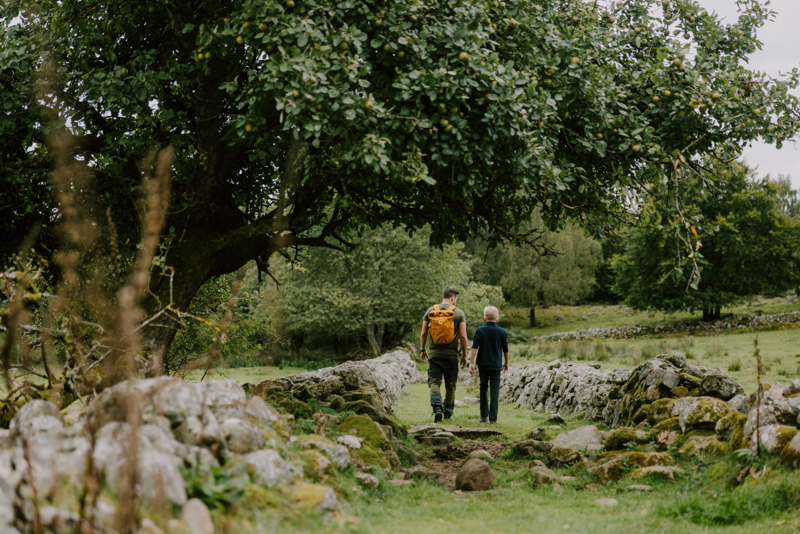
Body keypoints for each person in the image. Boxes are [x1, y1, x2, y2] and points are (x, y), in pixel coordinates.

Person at [420, 286, 468, 423]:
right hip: (451, 356)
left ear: (444, 296)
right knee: (450, 385)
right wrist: (464, 355)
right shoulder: (459, 313)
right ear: (453, 298)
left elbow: (423, 333)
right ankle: (447, 412)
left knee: (434, 382)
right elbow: (463, 337)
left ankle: (437, 409)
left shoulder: (430, 311)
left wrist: (423, 350)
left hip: (434, 355)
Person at [468, 306, 509, 424]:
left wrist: (471, 363)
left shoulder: (480, 330)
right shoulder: (502, 332)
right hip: (496, 365)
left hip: (483, 365)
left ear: (484, 318)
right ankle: (493, 419)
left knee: (483, 388)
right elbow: (505, 349)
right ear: (497, 318)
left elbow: (474, 348)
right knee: (494, 390)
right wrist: (506, 363)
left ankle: (483, 416)